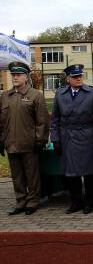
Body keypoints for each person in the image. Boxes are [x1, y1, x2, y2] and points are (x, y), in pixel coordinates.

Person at [50, 64, 93, 214]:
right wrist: (55, 139)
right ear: (68, 79)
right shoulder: (60, 94)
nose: (78, 78)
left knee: (88, 172)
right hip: (67, 136)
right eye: (75, 76)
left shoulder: (92, 93)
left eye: (80, 76)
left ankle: (90, 201)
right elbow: (55, 119)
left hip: (86, 135)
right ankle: (76, 201)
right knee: (71, 173)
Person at [0, 62, 49, 215]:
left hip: (29, 143)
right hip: (11, 143)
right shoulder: (5, 96)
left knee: (31, 174)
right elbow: (1, 121)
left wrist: (40, 140)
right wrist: (1, 140)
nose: (15, 77)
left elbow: (42, 121)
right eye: (13, 74)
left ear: (26, 77)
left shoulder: (35, 95)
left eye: (18, 75)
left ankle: (33, 201)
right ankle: (20, 201)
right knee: (17, 175)